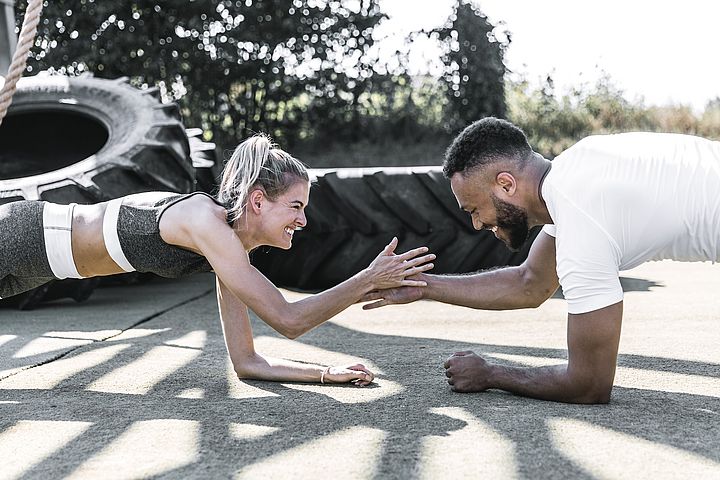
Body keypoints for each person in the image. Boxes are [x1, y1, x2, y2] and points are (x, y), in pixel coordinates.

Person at [0, 134, 435, 386]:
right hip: (17, 235)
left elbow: (248, 362)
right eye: (296, 206)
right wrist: (366, 279)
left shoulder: (229, 251)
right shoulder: (206, 223)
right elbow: (288, 318)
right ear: (259, 201)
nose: (303, 220)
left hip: (34, 269)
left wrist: (326, 373)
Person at [362, 116, 720, 403]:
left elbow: (589, 384)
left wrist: (492, 374)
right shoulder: (574, 173)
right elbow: (530, 282)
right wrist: (423, 286)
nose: (476, 224)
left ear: (505, 184)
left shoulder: (581, 216)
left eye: (474, 209)